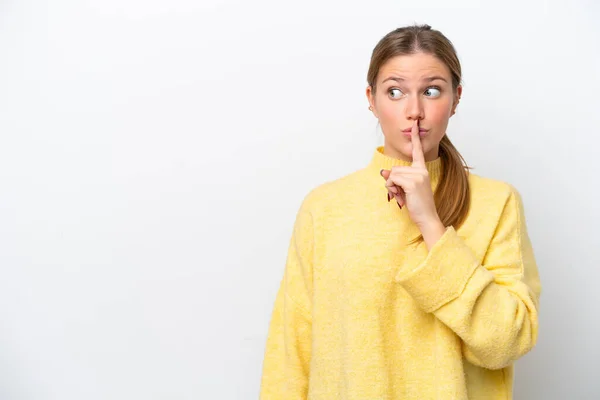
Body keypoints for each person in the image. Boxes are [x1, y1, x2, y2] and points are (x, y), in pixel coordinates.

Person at [259, 24, 542, 400]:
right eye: (395, 92)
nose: (415, 111)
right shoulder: (324, 207)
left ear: (455, 99)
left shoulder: (497, 202)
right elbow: (290, 354)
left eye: (431, 90)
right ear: (371, 99)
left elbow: (506, 342)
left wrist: (430, 223)